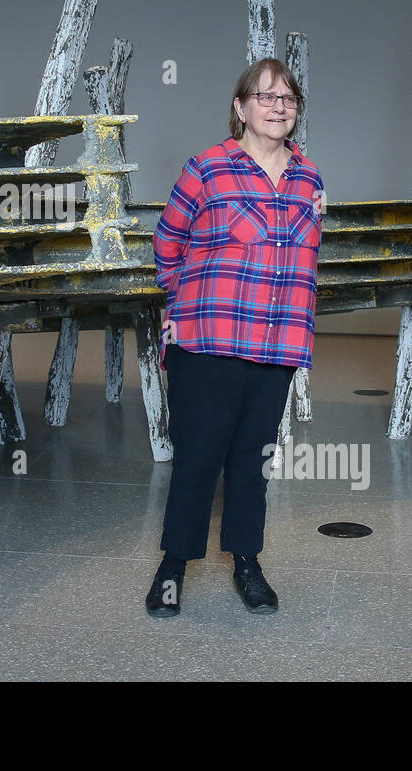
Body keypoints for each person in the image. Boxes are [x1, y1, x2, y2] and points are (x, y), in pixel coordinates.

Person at [146, 56, 324, 617]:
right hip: (206, 341)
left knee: (253, 462)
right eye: (266, 96)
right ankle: (173, 566)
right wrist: (188, 309)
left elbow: (305, 262)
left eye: (288, 98)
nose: (278, 106)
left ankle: (247, 561)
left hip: (276, 344)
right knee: (198, 459)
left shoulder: (310, 179)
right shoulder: (207, 168)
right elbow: (167, 245)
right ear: (240, 107)